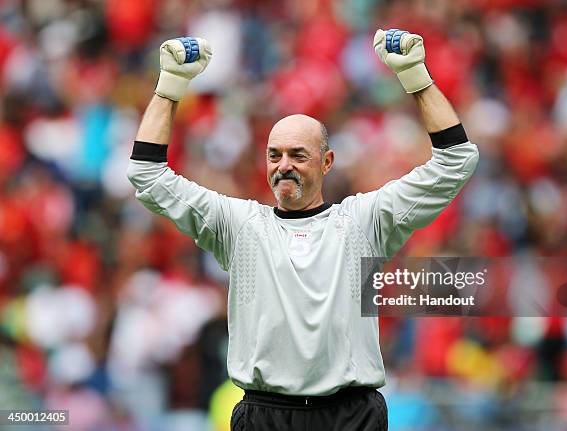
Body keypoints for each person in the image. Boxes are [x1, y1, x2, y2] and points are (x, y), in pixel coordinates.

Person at [127, 29, 479, 431]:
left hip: (351, 414)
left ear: (327, 162)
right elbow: (147, 176)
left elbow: (456, 162)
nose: (284, 165)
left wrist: (416, 75)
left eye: (298, 154)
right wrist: (169, 87)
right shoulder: (240, 225)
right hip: (265, 415)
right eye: (274, 155)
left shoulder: (364, 221)